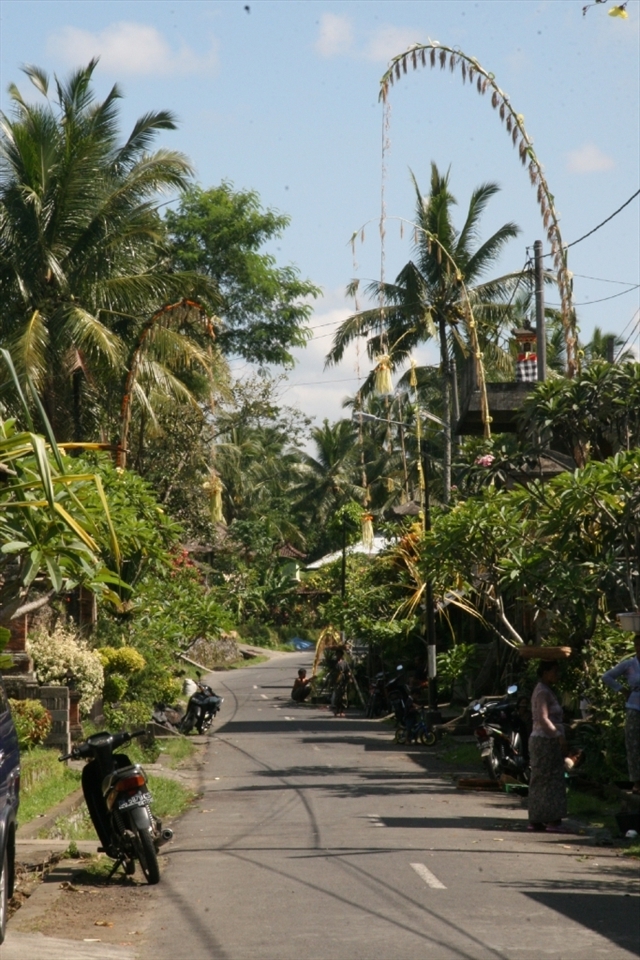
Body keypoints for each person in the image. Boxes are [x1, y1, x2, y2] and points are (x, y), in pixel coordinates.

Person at [528, 660, 569, 833]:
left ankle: (540, 818)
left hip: (545, 740)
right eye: (554, 671)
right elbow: (543, 718)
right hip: (545, 740)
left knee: (545, 778)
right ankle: (549, 819)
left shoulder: (546, 691)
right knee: (548, 779)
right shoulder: (542, 692)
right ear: (545, 672)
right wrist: (557, 735)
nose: (556, 675)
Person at [602, 633, 640, 794]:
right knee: (633, 745)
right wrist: (622, 690)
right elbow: (607, 676)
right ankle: (637, 781)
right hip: (634, 707)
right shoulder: (630, 665)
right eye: (638, 645)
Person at [331, 648, 351, 717]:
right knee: (337, 696)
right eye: (337, 654)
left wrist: (349, 676)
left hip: (343, 681)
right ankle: (337, 710)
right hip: (336, 681)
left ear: (342, 655)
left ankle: (342, 711)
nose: (338, 656)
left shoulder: (345, 663)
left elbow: (348, 671)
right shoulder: (334, 662)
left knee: (343, 696)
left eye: (339, 654)